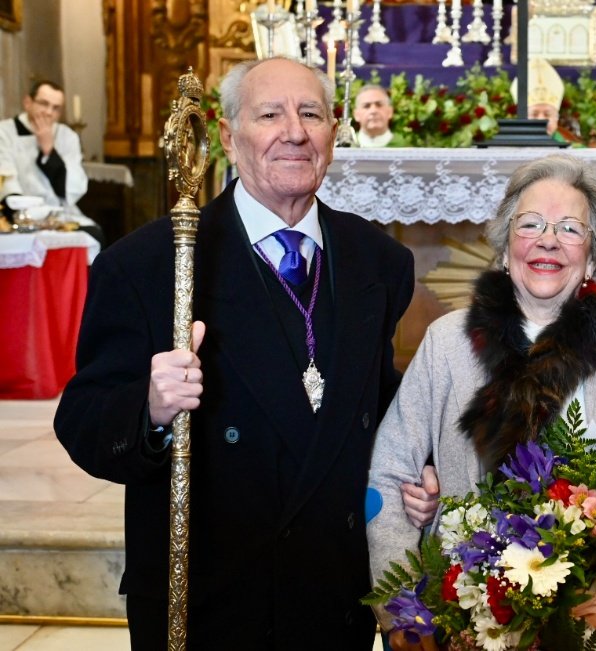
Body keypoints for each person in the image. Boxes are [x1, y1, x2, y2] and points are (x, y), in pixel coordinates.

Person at [54, 57, 416, 649]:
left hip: (332, 592)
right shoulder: (148, 265)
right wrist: (150, 409)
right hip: (212, 598)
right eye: (269, 115)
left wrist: (416, 464)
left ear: (334, 131)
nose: (294, 132)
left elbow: (375, 402)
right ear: (227, 136)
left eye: (311, 114)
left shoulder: (378, 259)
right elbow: (82, 422)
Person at [367, 153, 596, 651]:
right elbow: (388, 471)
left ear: (592, 258)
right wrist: (405, 615)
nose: (548, 240)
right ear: (506, 248)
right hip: (463, 620)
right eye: (530, 224)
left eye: (570, 228)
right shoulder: (446, 343)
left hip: (588, 622)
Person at [0, 80, 103, 245]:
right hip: (19, 216)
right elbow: (6, 182)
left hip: (58, 214)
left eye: (56, 108)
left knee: (93, 235)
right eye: (44, 104)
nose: (49, 112)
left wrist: (49, 151)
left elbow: (73, 187)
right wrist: (26, 215)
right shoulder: (5, 132)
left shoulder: (67, 136)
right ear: (27, 102)